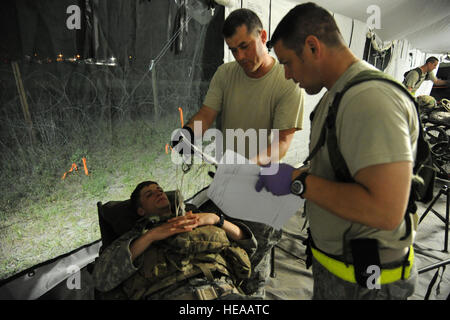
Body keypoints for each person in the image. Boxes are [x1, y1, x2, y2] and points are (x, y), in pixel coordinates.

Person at [256, 2, 419, 300]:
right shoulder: (341, 93)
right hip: (343, 273)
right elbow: (344, 171)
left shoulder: (369, 99)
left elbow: (385, 211)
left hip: (367, 284)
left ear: (313, 47)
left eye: (288, 62)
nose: (288, 75)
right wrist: (299, 175)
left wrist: (298, 182)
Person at [172, 8, 305, 298]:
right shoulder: (226, 73)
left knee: (253, 262)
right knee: (225, 252)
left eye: (245, 46)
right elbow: (207, 113)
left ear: (263, 37)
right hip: (226, 182)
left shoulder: (287, 81)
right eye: (233, 50)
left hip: (262, 187)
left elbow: (283, 142)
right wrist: (188, 133)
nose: (240, 56)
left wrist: (247, 164)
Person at [92, 181, 257, 300]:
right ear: (141, 211)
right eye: (150, 194)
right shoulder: (133, 238)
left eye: (160, 189)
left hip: (224, 292)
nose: (159, 193)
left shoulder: (196, 218)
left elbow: (250, 246)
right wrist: (152, 235)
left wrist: (216, 219)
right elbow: (101, 279)